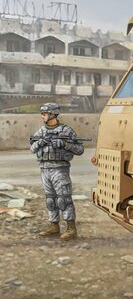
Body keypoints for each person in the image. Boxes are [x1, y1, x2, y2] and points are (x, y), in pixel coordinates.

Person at [29, 103, 84, 240]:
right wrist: (41, 142)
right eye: (42, 114)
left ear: (53, 114)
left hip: (59, 169)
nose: (42, 116)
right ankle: (54, 226)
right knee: (50, 200)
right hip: (44, 168)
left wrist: (64, 144)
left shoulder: (66, 131)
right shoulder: (41, 132)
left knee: (63, 199)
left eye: (45, 113)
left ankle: (71, 228)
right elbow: (32, 148)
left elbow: (80, 149)